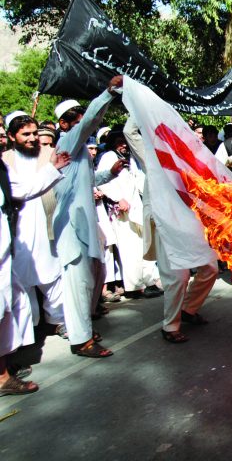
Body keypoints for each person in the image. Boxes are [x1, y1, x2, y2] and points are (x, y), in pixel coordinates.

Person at [120, 78, 219, 344]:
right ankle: (170, 326)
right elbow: (130, 131)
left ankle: (189, 309)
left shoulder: (193, 163)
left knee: (210, 267)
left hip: (189, 224)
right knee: (177, 276)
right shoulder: (153, 155)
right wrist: (142, 101)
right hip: (165, 223)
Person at [0, 125, 70, 396]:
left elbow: (24, 189)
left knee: (11, 305)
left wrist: (53, 168)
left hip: (6, 251)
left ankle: (5, 369)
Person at [53, 85, 122, 358]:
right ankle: (81, 341)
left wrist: (110, 173)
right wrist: (108, 93)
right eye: (77, 118)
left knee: (88, 283)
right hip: (72, 227)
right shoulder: (68, 142)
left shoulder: (79, 150)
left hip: (85, 226)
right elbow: (92, 121)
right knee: (78, 286)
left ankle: (84, 331)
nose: (83, 123)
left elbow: (89, 181)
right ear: (64, 123)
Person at [97, 129, 162, 299]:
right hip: (121, 212)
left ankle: (148, 282)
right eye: (119, 142)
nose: (124, 145)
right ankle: (134, 287)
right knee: (129, 250)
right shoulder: (109, 157)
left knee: (143, 247)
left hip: (136, 208)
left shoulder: (130, 159)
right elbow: (102, 182)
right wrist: (118, 198)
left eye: (125, 141)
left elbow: (138, 181)